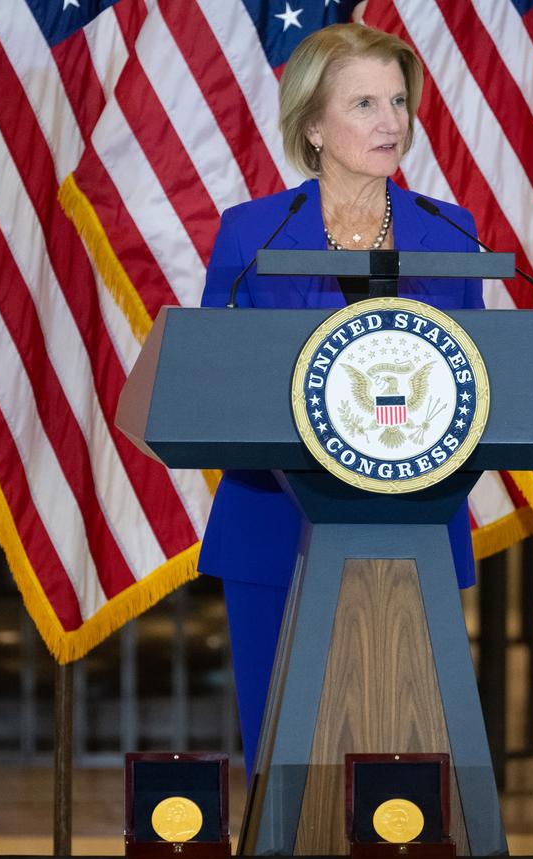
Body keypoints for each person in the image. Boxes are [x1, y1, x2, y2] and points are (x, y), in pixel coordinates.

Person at [198, 22, 484, 778]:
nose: (390, 122)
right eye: (363, 103)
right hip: (273, 526)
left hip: (415, 530)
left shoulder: (452, 235)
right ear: (314, 126)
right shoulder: (252, 233)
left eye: (398, 101)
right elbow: (215, 385)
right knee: (282, 769)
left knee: (402, 778)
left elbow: (483, 390)